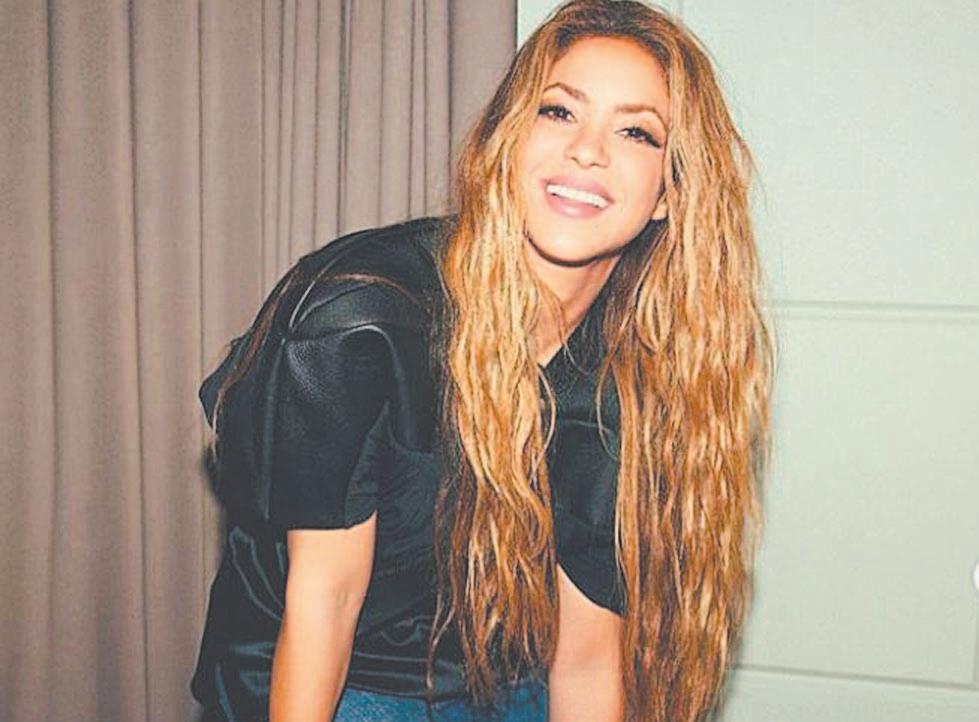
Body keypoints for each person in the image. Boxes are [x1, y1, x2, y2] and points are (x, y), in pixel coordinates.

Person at [190, 1, 773, 721]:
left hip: (507, 671)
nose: (587, 150)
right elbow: (327, 602)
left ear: (669, 194)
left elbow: (587, 657)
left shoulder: (635, 367)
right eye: (559, 112)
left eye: (635, 131)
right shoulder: (359, 317)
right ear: (507, 138)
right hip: (344, 676)